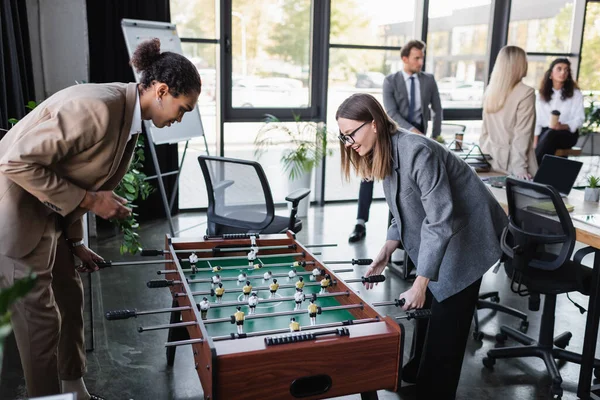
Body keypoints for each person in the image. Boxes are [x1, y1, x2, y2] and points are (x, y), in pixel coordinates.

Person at [0, 38, 201, 399]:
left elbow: (75, 175)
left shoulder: (127, 116)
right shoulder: (99, 108)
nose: (179, 118)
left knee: (70, 296)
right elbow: (15, 161)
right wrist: (92, 201)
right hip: (17, 215)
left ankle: (74, 389)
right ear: (161, 90)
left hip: (51, 214)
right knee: (40, 325)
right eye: (182, 108)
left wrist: (76, 243)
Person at [337, 93, 507, 399]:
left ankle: (435, 390)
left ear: (373, 124)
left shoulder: (416, 151)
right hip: (444, 233)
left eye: (351, 134)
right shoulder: (386, 150)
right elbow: (403, 210)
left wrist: (420, 282)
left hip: (468, 236)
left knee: (446, 323)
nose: (348, 143)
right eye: (343, 137)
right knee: (427, 310)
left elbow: (440, 220)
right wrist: (386, 252)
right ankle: (417, 372)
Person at [349, 39, 442, 243]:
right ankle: (360, 222)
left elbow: (437, 110)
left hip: (420, 141)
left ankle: (400, 231)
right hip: (392, 135)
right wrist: (413, 131)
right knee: (369, 174)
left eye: (422, 57)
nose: (420, 62)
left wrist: (434, 138)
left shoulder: (429, 80)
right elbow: (391, 112)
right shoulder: (391, 81)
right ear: (404, 58)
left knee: (403, 182)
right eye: (416, 58)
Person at [480, 45, 537, 179]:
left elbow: (484, 132)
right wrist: (520, 168)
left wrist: (483, 155)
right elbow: (522, 134)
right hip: (514, 163)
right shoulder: (526, 93)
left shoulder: (491, 91)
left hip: (490, 159)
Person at [534, 58, 584, 164]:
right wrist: (535, 142)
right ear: (551, 73)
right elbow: (537, 120)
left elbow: (579, 119)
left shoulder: (575, 95)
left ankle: (534, 167)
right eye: (559, 69)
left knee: (551, 134)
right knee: (548, 136)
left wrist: (562, 126)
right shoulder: (540, 96)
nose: (563, 72)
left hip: (566, 134)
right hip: (545, 133)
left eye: (566, 70)